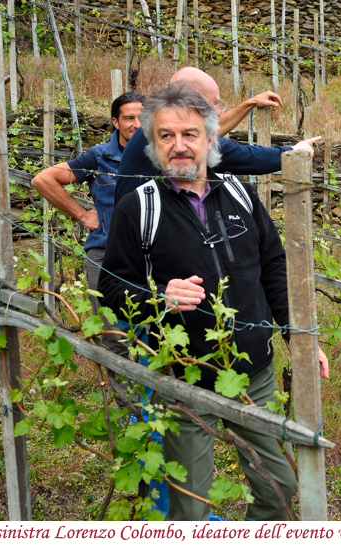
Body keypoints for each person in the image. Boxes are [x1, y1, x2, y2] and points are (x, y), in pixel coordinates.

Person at [98, 86, 329, 521]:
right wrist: (158, 299)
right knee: (190, 504)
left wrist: (301, 337)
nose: (179, 146)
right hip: (186, 375)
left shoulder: (241, 195)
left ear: (210, 140)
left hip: (254, 372)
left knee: (281, 485)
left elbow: (275, 270)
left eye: (189, 134)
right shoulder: (139, 208)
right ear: (154, 145)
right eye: (166, 136)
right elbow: (112, 287)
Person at [32, 91, 145, 358]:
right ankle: (123, 400)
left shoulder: (158, 155)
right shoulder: (99, 158)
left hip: (149, 255)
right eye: (129, 118)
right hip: (104, 255)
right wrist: (82, 215)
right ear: (115, 122)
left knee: (151, 332)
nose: (136, 125)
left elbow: (205, 136)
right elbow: (43, 180)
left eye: (142, 118)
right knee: (112, 336)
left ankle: (152, 398)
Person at [114, 67, 320, 204]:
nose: (219, 111)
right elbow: (245, 157)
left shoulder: (160, 128)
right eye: (215, 103)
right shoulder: (162, 136)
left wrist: (249, 104)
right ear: (194, 101)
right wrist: (292, 152)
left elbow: (210, 130)